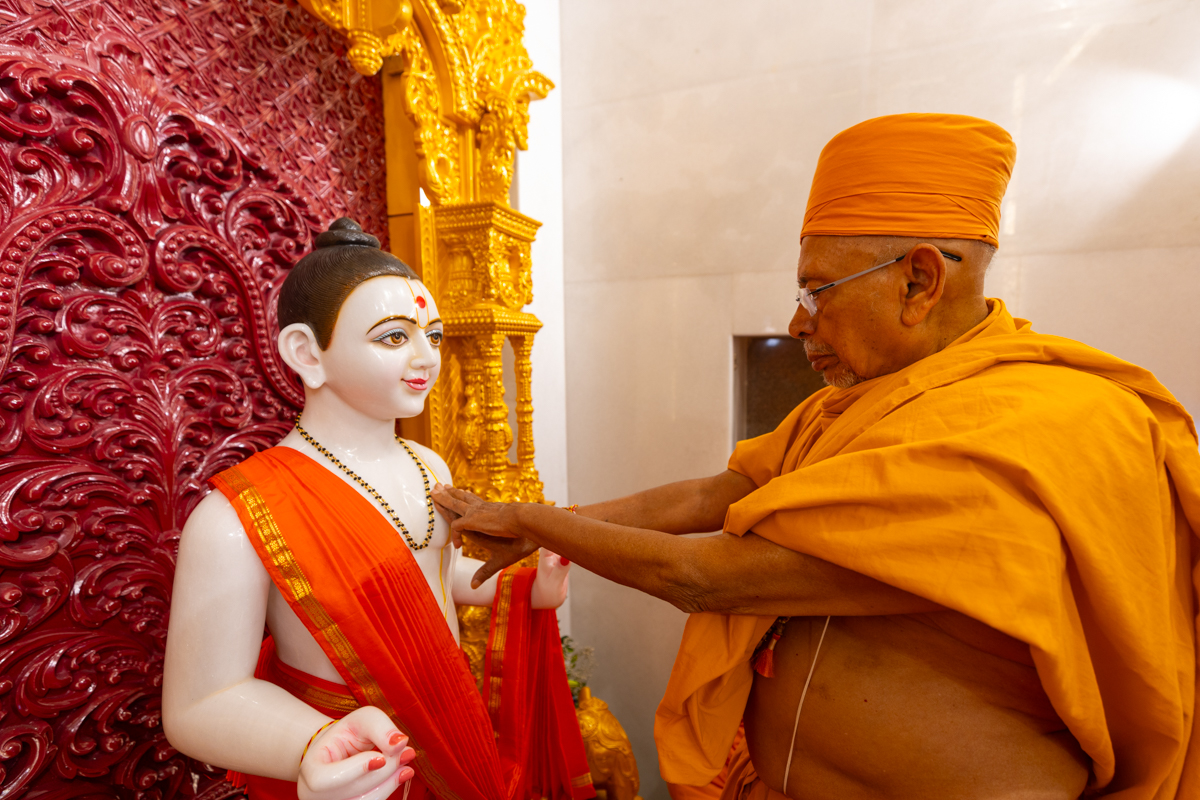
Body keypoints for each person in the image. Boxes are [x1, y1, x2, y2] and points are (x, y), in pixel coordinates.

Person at [432, 114, 1200, 800]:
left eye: (818, 289)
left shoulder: (1033, 426)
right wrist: (550, 526)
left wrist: (534, 519)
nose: (798, 321)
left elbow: (703, 577)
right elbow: (725, 490)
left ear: (920, 280)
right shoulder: (867, 396)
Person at [163, 219, 592, 800]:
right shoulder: (239, 515)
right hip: (360, 752)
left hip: (453, 721)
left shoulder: (427, 466)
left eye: (433, 336)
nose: (426, 358)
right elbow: (201, 702)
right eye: (394, 337)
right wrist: (314, 742)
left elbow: (428, 578)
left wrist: (523, 587)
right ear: (306, 353)